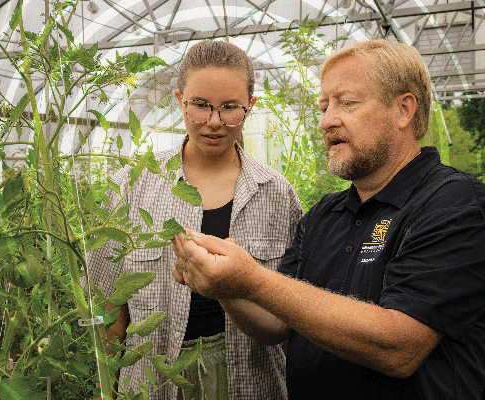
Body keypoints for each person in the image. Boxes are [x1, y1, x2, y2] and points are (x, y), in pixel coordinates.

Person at [172, 39, 485, 400]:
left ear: (403, 110)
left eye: (347, 103)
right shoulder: (324, 214)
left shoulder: (453, 204)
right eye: (324, 107)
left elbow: (400, 346)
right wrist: (226, 286)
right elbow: (276, 323)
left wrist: (254, 280)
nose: (326, 121)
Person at [88, 40, 302, 399]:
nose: (214, 122)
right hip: (153, 384)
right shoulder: (135, 185)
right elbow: (110, 304)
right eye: (200, 106)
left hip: (251, 381)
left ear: (250, 107)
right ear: (179, 101)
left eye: (230, 108)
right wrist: (105, 388)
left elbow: (293, 313)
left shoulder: (276, 194)